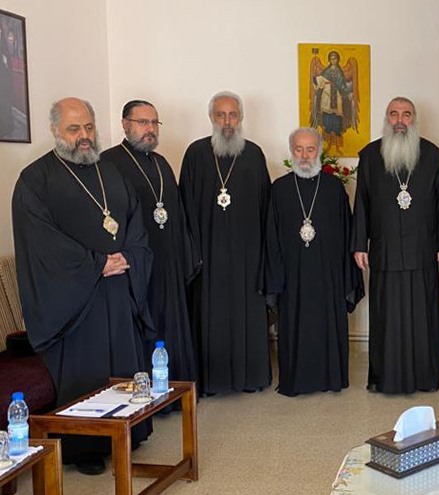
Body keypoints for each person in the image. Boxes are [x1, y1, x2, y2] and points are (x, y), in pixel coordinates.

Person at [12, 97, 153, 474]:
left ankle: (128, 432)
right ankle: (84, 447)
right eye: (74, 129)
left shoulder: (110, 171)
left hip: (118, 289)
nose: (84, 137)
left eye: (89, 127)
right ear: (56, 130)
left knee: (122, 363)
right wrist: (96, 264)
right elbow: (41, 244)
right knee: (86, 374)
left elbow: (134, 220)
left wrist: (131, 255)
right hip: (76, 302)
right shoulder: (35, 180)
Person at [352, 97, 439, 394]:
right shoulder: (370, 155)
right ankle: (386, 377)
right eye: (394, 114)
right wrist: (360, 244)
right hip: (385, 250)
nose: (400, 120)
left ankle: (424, 375)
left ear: (414, 119)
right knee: (387, 315)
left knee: (422, 313)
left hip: (423, 248)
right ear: (386, 118)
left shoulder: (432, 154)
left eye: (406, 114)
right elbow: (362, 202)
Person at [101, 100, 200, 388]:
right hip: (135, 266)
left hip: (167, 262)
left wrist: (184, 256)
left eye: (154, 123)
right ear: (125, 124)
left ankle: (175, 389)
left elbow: (177, 214)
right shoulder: (108, 163)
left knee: (171, 324)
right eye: (143, 122)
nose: (150, 129)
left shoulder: (161, 163)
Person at [179, 91, 272, 395]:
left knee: (247, 314)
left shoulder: (255, 154)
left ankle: (251, 378)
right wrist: (193, 253)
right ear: (211, 118)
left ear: (241, 118)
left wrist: (263, 255)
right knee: (210, 317)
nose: (227, 121)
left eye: (233, 115)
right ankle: (211, 381)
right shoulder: (195, 154)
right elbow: (185, 209)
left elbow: (266, 208)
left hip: (247, 256)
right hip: (208, 255)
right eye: (221, 115)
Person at [266, 128, 363, 395]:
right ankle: (295, 381)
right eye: (299, 149)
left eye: (310, 149)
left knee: (326, 326)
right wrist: (276, 276)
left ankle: (331, 378)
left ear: (319, 151)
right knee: (294, 327)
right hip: (293, 275)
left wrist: (345, 274)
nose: (305, 155)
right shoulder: (279, 189)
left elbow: (346, 234)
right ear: (291, 151)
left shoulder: (333, 188)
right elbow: (271, 237)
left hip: (327, 275)